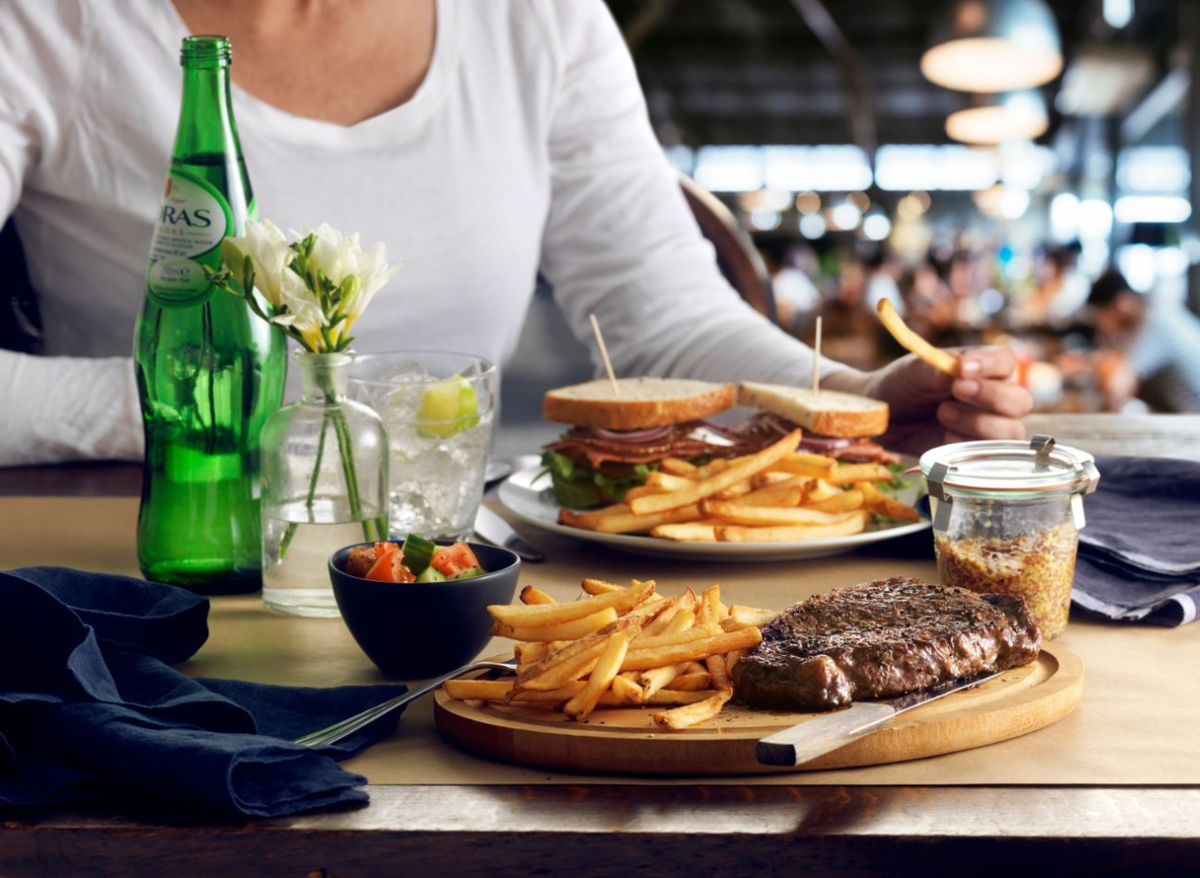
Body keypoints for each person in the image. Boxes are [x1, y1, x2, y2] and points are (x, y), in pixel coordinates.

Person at [0, 0, 1032, 466]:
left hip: (449, 582)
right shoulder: (49, 20)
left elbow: (661, 316)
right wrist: (195, 400)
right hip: (136, 593)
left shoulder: (538, 18)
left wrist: (852, 402)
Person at [1088, 269, 1200, 413]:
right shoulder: (1148, 314)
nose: (1101, 324)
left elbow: (1117, 385)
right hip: (1181, 416)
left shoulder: (1155, 321)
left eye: (1102, 314)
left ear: (1121, 302)